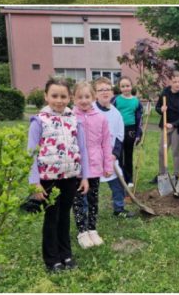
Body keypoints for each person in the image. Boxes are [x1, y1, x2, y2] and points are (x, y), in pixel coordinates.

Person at [27, 77, 90, 272]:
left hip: (70, 178)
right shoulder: (39, 121)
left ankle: (66, 254)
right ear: (46, 96)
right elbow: (30, 154)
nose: (59, 100)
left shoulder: (75, 120)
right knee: (52, 217)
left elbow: (82, 149)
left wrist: (84, 176)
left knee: (64, 217)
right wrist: (34, 182)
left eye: (63, 96)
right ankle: (52, 259)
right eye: (54, 96)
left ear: (69, 98)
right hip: (48, 180)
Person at [71, 81, 113, 249]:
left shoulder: (101, 118)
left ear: (93, 97)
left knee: (93, 199)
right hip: (76, 167)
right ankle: (82, 231)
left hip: (95, 166)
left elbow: (106, 143)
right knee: (78, 201)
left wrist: (108, 165)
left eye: (87, 96)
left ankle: (92, 229)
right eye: (80, 97)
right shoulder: (70, 117)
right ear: (74, 98)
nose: (84, 100)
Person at [92, 77, 129, 218]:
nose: (105, 92)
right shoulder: (90, 110)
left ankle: (119, 208)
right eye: (101, 90)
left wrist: (114, 154)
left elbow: (119, 136)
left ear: (112, 92)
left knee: (118, 183)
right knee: (91, 186)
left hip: (110, 157)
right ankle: (90, 211)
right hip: (93, 158)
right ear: (95, 93)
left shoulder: (116, 113)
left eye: (107, 89)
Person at [156, 71, 179, 182]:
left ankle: (176, 175)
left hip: (177, 128)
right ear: (170, 82)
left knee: (175, 152)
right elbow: (157, 107)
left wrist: (173, 124)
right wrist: (161, 109)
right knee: (162, 151)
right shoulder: (165, 93)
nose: (177, 84)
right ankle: (162, 174)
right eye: (174, 82)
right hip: (165, 126)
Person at [113, 76, 142, 187]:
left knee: (128, 156)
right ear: (119, 88)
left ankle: (129, 179)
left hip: (130, 131)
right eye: (123, 86)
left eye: (127, 86)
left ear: (131, 86)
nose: (125, 88)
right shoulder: (115, 100)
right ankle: (121, 178)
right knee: (119, 155)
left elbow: (139, 119)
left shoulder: (136, 102)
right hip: (118, 130)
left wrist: (138, 134)